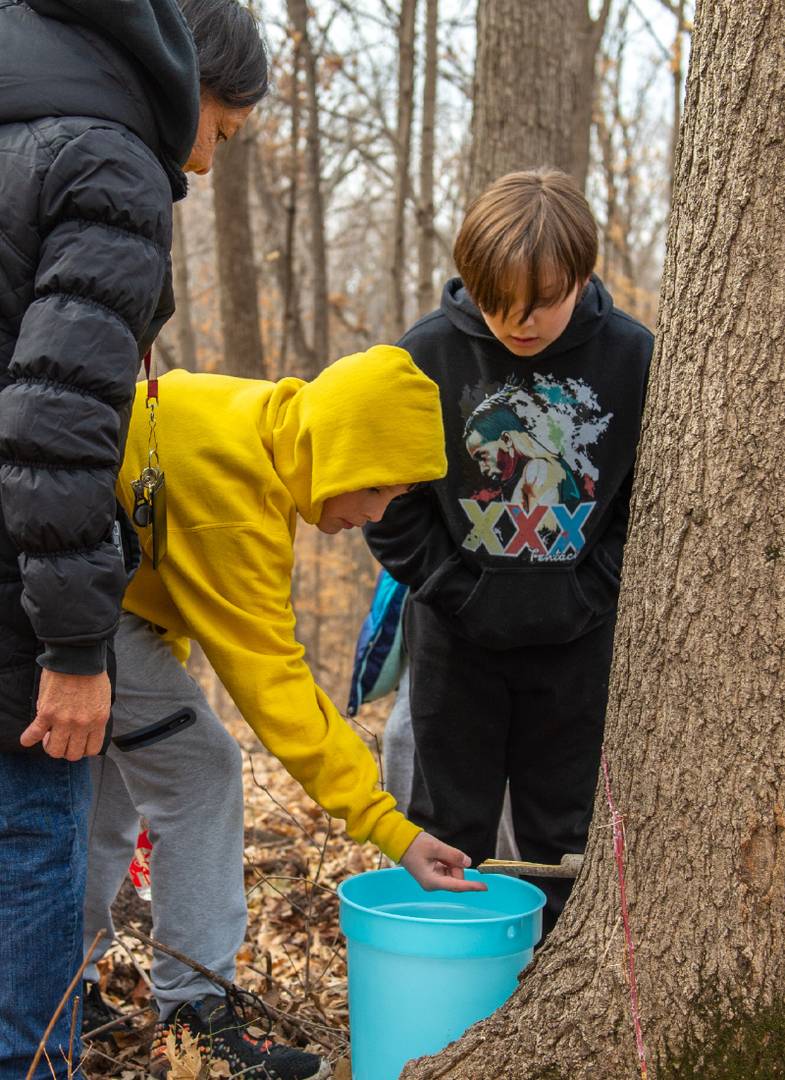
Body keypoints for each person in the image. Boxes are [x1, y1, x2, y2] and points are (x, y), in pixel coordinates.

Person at [82, 346, 482, 1080]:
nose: (373, 517)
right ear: (342, 452)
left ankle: (61, 984)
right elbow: (273, 684)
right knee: (201, 769)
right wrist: (387, 825)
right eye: (379, 493)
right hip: (68, 601)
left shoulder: (255, 417)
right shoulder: (236, 503)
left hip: (87, 593)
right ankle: (197, 1020)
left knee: (102, 797)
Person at [0, 1, 267, 1075]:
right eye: (221, 132)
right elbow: (53, 427)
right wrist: (72, 651)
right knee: (32, 847)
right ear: (186, 83)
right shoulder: (107, 165)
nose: (203, 165)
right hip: (17, 601)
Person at [365, 169, 653, 935]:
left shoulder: (634, 359)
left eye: (540, 305)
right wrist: (459, 592)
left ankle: (555, 988)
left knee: (566, 836)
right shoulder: (424, 355)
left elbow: (651, 510)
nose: (515, 325)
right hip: (456, 646)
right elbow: (387, 508)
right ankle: (457, 995)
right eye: (495, 305)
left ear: (581, 276)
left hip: (578, 648)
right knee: (447, 827)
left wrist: (588, 593)